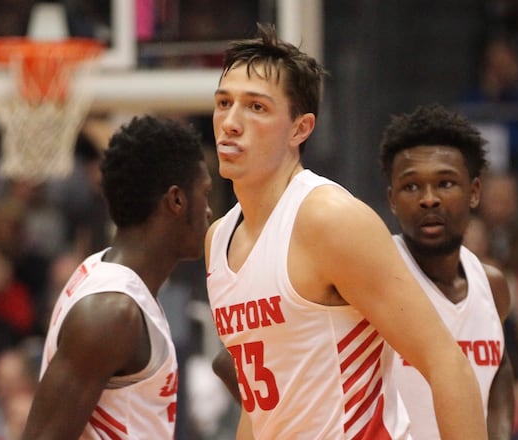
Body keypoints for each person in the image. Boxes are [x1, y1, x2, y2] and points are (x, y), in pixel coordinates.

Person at [205, 24, 487, 439]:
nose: (230, 122)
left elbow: (447, 363)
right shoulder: (218, 239)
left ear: (300, 129)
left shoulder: (327, 218)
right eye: (224, 103)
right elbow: (260, 407)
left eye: (256, 108)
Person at [22, 115, 214, 439]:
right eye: (205, 193)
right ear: (177, 200)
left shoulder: (112, 283)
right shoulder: (112, 312)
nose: (209, 210)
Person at [378, 103, 514, 439]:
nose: (429, 199)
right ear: (392, 199)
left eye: (445, 183)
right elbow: (232, 364)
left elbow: (499, 371)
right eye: (412, 187)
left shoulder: (492, 285)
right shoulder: (371, 276)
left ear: (474, 192)